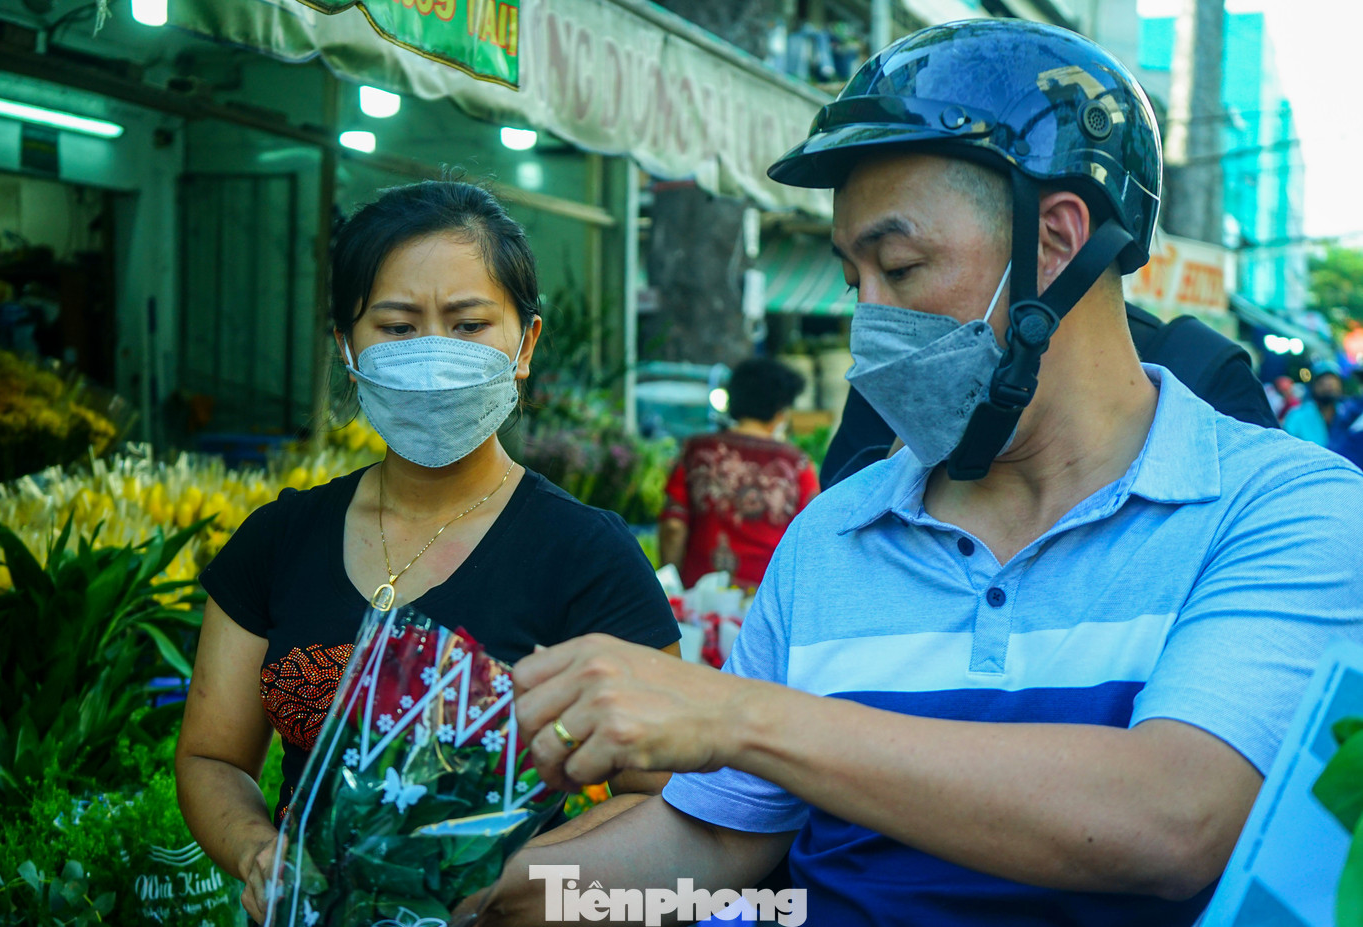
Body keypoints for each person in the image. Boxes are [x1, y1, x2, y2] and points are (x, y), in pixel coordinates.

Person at [480, 20, 1363, 927]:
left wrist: (740, 716)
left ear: (1058, 240)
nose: (868, 320)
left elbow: (1172, 818)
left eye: (900, 267)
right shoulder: (833, 534)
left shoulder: (1284, 509)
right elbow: (710, 848)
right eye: (853, 276)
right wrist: (480, 890)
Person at [173, 179, 681, 925]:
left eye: (469, 324)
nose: (434, 356)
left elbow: (659, 793)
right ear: (347, 347)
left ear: (525, 344)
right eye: (398, 326)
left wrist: (500, 885)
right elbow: (212, 756)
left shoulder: (587, 555)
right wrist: (258, 851)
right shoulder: (279, 539)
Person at [821, 303, 1279, 487]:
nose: (871, 309)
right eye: (855, 280)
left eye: (902, 267)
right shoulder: (906, 373)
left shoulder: (1201, 370)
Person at [658, 357, 820, 589]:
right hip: (767, 598)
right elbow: (812, 540)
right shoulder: (797, 465)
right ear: (780, 411)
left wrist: (671, 587)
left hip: (701, 594)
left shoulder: (697, 451)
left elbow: (673, 527)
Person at [1283, 365, 1346, 446]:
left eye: (1333, 380)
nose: (1328, 385)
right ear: (1313, 386)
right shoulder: (1297, 416)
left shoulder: (1347, 414)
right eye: (1322, 381)